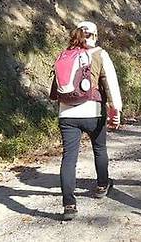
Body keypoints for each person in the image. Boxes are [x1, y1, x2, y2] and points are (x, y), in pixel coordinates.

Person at [49, 21, 122, 221]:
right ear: (95, 35)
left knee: (69, 158)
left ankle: (69, 205)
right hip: (93, 111)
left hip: (66, 115)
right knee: (99, 148)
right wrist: (115, 109)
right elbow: (111, 84)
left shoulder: (65, 54)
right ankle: (101, 185)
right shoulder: (99, 54)